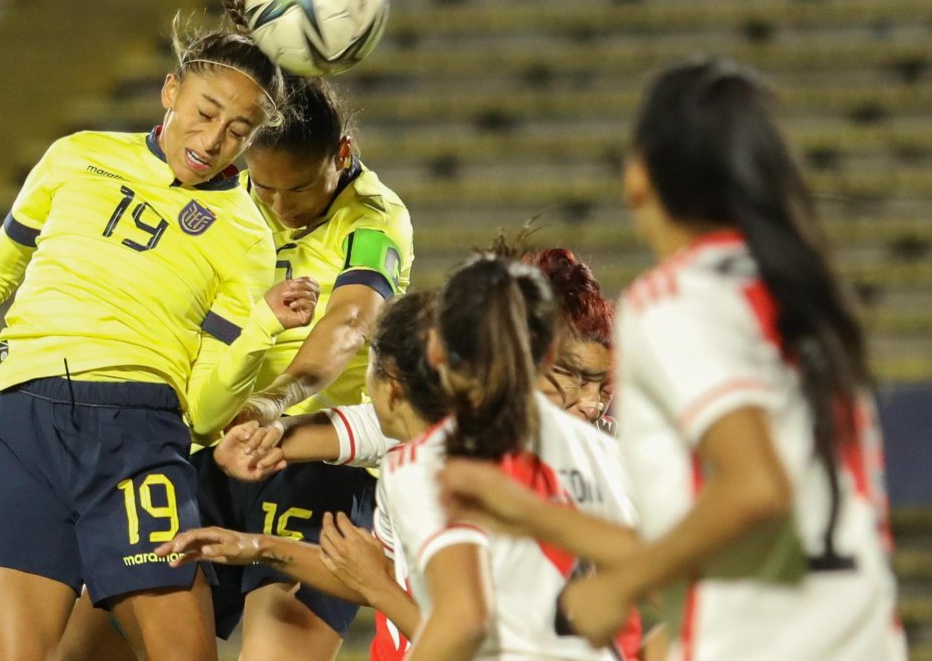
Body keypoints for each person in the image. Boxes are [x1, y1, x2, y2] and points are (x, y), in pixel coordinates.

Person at [0, 18, 317, 661]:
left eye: (238, 131)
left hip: (136, 439)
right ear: (170, 91)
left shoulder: (246, 236)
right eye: (205, 114)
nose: (213, 141)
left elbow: (204, 413)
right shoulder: (75, 155)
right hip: (21, 426)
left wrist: (262, 327)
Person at [442, 58, 907, 661]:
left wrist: (619, 587)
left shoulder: (676, 300)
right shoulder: (809, 296)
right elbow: (745, 527)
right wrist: (536, 516)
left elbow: (754, 487)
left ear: (640, 177)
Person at [57, 75, 414, 660]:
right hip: (211, 452)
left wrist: (271, 406)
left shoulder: (373, 221)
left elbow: (349, 323)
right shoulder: (228, 196)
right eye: (263, 187)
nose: (276, 206)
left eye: (295, 189)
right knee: (81, 651)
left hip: (313, 463)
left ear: (342, 155)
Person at [168, 255, 636, 660]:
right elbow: (427, 580)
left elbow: (467, 630)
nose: (591, 403)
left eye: (600, 385)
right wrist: (257, 541)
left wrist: (379, 588)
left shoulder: (440, 465)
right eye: (572, 378)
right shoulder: (474, 445)